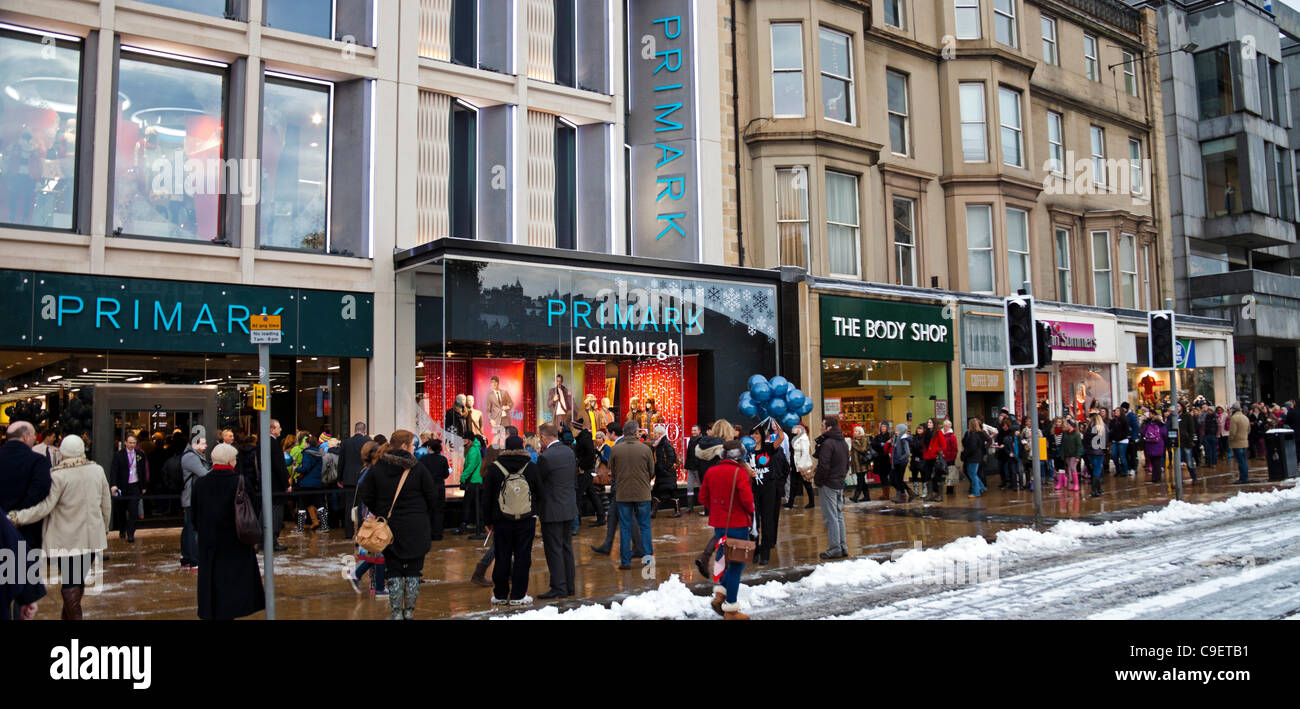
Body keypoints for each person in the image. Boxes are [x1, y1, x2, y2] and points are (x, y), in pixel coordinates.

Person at [6, 435, 110, 620]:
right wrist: (104, 527)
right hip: (91, 536)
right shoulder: (97, 470)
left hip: (66, 539)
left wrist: (17, 517)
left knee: (71, 582)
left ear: (62, 452)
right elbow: (105, 503)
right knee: (77, 581)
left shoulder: (58, 475)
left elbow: (44, 507)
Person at [359, 430, 438, 620]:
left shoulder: (378, 468)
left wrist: (381, 511)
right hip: (416, 526)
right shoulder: (418, 469)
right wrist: (421, 512)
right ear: (404, 446)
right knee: (414, 570)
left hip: (389, 526)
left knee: (393, 569)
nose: (413, 449)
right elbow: (432, 496)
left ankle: (396, 613)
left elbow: (366, 492)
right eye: (411, 445)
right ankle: (409, 612)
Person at [192, 444, 265, 620]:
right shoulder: (240, 482)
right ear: (231, 461)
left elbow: (194, 516)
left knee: (212, 586)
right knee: (234, 587)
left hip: (210, 544)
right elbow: (253, 509)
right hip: (236, 542)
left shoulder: (200, 483)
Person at [481, 435, 542, 605]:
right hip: (526, 519)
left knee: (502, 556)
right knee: (523, 557)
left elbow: (486, 497)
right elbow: (540, 492)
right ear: (522, 447)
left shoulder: (495, 468)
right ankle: (518, 595)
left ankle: (500, 595)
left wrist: (488, 521)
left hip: (501, 520)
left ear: (505, 448)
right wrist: (535, 512)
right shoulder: (531, 467)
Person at [699, 439, 755, 620]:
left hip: (719, 525)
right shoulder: (739, 473)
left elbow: (702, 498)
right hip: (738, 524)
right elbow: (747, 501)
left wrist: (716, 509)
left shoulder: (711, 471)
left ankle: (720, 595)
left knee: (726, 562)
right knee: (736, 565)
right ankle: (731, 610)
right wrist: (752, 515)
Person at [0, 422, 52, 620]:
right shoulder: (37, 462)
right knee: (21, 577)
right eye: (33, 436)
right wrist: (20, 514)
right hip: (27, 530)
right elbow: (41, 490)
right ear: (25, 437)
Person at [534, 422, 578, 599]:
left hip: (552, 510)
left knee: (554, 550)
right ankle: (569, 586)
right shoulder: (569, 452)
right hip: (568, 508)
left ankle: (558, 587)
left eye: (540, 438)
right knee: (567, 547)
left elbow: (538, 484)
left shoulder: (546, 457)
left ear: (544, 438)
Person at [609, 420, 656, 571]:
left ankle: (625, 561)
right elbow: (652, 471)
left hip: (623, 493)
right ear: (636, 432)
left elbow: (613, 472)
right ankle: (648, 559)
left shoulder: (616, 449)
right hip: (642, 493)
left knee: (625, 527)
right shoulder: (645, 449)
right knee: (645, 526)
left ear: (624, 432)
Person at [348, 441, 386, 597]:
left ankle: (371, 583)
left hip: (368, 515)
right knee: (379, 551)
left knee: (376, 552)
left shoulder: (365, 470)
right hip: (373, 515)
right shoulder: (372, 471)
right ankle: (375, 585)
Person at [749, 424, 788, 565]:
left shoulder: (768, 448)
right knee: (754, 523)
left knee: (767, 520)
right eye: (752, 434)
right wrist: (748, 471)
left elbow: (781, 437)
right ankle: (754, 551)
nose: (754, 436)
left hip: (768, 489)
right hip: (753, 490)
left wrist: (777, 424)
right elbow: (742, 465)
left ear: (762, 436)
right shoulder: (747, 450)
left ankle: (765, 553)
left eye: (757, 434)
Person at [813, 416, 850, 559]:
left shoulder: (828, 443)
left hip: (829, 483)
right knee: (838, 515)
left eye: (823, 425)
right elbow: (847, 463)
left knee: (831, 517)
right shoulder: (842, 442)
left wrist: (818, 481)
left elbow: (824, 466)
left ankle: (835, 548)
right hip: (839, 482)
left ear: (829, 427)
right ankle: (842, 546)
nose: (821, 427)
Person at [108, 433, 147, 543]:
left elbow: (143, 471)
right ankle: (122, 529)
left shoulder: (140, 455)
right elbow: (114, 471)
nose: (132, 445)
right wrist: (113, 485)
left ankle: (131, 534)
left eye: (134, 443)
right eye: (130, 443)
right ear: (125, 443)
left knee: (133, 511)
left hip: (135, 486)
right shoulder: (118, 455)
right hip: (122, 486)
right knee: (121, 510)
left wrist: (143, 486)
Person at [179, 435, 210, 568]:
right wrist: (218, 468)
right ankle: (193, 559)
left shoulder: (192, 455)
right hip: (191, 496)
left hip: (191, 496)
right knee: (192, 528)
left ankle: (186, 557)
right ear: (194, 444)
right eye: (203, 443)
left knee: (188, 527)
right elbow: (204, 474)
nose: (206, 445)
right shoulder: (191, 457)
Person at [339, 422, 371, 538]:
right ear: (364, 431)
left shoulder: (345, 443)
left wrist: (340, 478)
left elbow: (341, 462)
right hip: (364, 477)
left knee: (349, 505)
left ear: (354, 430)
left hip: (348, 478)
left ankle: (349, 532)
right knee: (362, 505)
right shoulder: (367, 443)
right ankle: (361, 532)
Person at [571, 417, 604, 529]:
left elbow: (590, 454)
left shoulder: (584, 438)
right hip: (587, 470)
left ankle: (577, 521)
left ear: (576, 429)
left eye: (572, 429)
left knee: (578, 495)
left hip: (585, 471)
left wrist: (582, 467)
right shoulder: (583, 437)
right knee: (591, 493)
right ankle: (601, 517)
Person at [264, 420, 290, 551]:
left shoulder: (264, 442)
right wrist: (286, 483)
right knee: (276, 513)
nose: (280, 430)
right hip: (276, 485)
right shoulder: (274, 444)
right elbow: (280, 465)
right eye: (278, 428)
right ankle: (272, 540)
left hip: (268, 483)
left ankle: (266, 540)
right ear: (272, 429)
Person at [294, 433, 325, 531]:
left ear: (308, 444)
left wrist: (296, 469)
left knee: (302, 504)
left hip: (306, 483)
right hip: (316, 483)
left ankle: (300, 527)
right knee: (319, 504)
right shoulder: (319, 454)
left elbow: (306, 468)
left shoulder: (307, 453)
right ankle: (324, 525)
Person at [420, 439, 449, 541]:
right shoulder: (443, 459)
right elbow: (446, 474)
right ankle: (438, 533)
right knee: (439, 511)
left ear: (429, 448)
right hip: (440, 487)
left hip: (427, 488)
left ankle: (428, 533)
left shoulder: (423, 459)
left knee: (428, 511)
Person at [650, 424, 679, 517]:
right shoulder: (660, 443)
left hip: (666, 474)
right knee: (661, 491)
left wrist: (663, 469)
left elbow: (671, 457)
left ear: (659, 434)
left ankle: (653, 512)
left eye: (655, 433)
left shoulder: (664, 444)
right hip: (663, 474)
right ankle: (653, 512)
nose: (653, 434)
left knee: (667, 492)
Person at [459, 435, 485, 539]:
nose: (463, 440)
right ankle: (479, 525)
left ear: (469, 440)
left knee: (468, 503)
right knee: (475, 504)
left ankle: (464, 525)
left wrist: (463, 477)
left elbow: (471, 466)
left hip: (473, 481)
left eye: (465, 438)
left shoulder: (473, 450)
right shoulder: (473, 449)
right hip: (475, 480)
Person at [786, 424, 816, 509]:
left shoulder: (804, 439)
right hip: (796, 464)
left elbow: (806, 453)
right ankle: (790, 503)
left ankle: (811, 502)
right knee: (794, 484)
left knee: (807, 483)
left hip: (802, 465)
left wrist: (801, 465)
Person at [960, 419, 989, 498]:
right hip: (976, 457)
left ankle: (976, 492)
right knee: (973, 473)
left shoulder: (973, 435)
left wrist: (965, 454)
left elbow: (971, 448)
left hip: (973, 457)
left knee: (972, 474)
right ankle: (982, 487)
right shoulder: (975, 434)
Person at [889, 423, 916, 502]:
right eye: (896, 429)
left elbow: (907, 452)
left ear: (901, 431)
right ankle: (909, 492)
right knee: (894, 479)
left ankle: (902, 496)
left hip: (901, 462)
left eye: (897, 430)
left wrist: (900, 458)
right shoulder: (896, 438)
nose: (896, 431)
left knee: (898, 479)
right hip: (896, 462)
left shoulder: (903, 439)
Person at [1085, 414, 1108, 498]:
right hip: (1099, 452)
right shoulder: (1102, 428)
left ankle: (1097, 489)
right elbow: (1105, 441)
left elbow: (1085, 441)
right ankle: (1095, 490)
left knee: (1095, 470)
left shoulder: (1088, 428)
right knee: (1097, 471)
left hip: (1090, 452)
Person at [1141, 411, 1167, 484]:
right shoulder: (1161, 425)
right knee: (1157, 462)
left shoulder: (1149, 425)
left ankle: (1154, 477)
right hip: (1159, 445)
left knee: (1153, 462)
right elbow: (1165, 434)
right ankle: (1157, 477)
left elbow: (1143, 433)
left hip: (1149, 445)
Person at [1229, 404, 1251, 485]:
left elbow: (1232, 432)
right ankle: (1245, 477)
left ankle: (1243, 478)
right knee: (1244, 460)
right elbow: (1249, 430)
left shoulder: (1234, 418)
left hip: (1237, 442)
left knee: (1240, 461)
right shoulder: (1245, 417)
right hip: (1244, 441)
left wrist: (1230, 439)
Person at [849, 426, 872, 502]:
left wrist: (855, 444)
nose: (854, 433)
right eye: (854, 431)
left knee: (860, 480)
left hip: (862, 464)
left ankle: (856, 496)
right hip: (857, 464)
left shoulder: (864, 439)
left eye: (856, 431)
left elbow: (863, 449)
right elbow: (852, 452)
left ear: (860, 433)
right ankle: (867, 496)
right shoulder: (855, 441)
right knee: (862, 481)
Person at [1177, 404, 1198, 483]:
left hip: (1186, 442)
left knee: (1189, 462)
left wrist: (1190, 440)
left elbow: (1192, 429)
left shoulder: (1187, 416)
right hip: (1177, 443)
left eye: (1178, 406)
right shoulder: (1173, 416)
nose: (1177, 407)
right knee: (1178, 463)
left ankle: (1194, 477)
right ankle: (1179, 480)